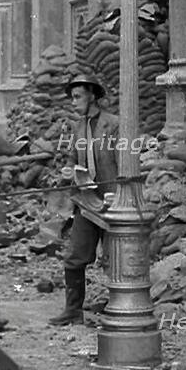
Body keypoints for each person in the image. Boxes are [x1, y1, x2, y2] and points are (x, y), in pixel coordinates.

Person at [49, 75, 119, 326]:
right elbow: (73, 157)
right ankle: (73, 310)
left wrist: (119, 193)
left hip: (113, 201)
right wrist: (70, 170)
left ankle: (120, 310)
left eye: (78, 96)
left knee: (116, 259)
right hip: (86, 201)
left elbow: (126, 161)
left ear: (92, 96)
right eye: (72, 97)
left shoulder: (114, 125)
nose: (74, 102)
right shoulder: (79, 127)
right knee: (75, 255)